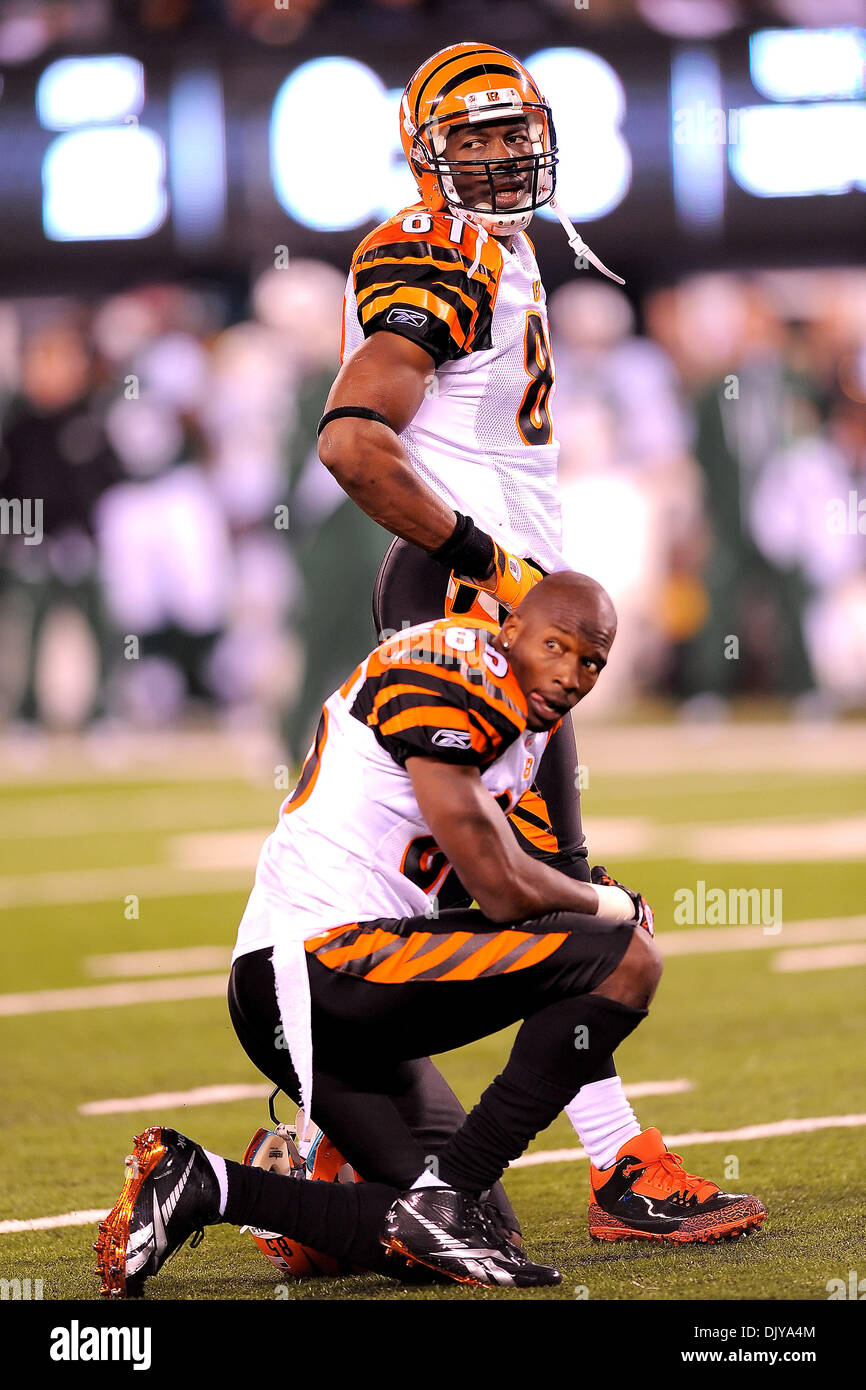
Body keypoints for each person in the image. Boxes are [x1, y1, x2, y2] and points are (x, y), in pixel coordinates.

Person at [316, 41, 760, 1240]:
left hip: (491, 611)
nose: (506, 155)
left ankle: (322, 1163)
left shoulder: (500, 249)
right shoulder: (438, 246)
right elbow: (354, 440)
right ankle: (615, 1168)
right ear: (426, 149)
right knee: (565, 906)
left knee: (483, 891)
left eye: (518, 131)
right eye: (477, 136)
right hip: (470, 614)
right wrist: (483, 564)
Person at [95, 574, 763, 1298]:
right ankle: (443, 1194)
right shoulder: (452, 668)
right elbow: (501, 887)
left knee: (471, 1240)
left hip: (341, 977)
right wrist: (608, 906)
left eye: (592, 662)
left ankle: (204, 1183)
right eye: (556, 647)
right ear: (509, 631)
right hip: (319, 967)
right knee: (627, 960)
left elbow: (514, 877)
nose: (572, 675)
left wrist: (582, 896)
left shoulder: (512, 715)